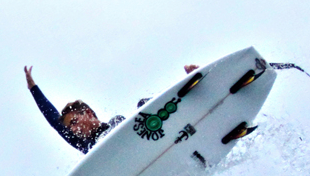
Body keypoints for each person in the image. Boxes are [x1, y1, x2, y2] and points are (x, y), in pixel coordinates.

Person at [25, 66, 199, 154]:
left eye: (74, 122)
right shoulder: (87, 146)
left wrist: (192, 81)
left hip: (148, 142)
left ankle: (191, 90)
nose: (73, 130)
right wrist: (34, 89)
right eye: (70, 128)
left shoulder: (124, 124)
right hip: (115, 161)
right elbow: (55, 122)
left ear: (89, 113)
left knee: (141, 107)